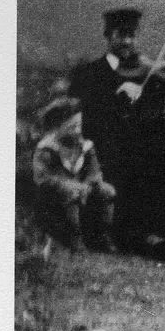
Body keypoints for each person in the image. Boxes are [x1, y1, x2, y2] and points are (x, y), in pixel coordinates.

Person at [68, 7, 165, 259]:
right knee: (138, 163)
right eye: (121, 35)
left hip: (151, 145)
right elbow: (88, 123)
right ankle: (140, 234)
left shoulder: (150, 75)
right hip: (110, 148)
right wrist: (120, 100)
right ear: (108, 36)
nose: (127, 42)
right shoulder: (90, 73)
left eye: (132, 36)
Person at [32, 96, 116, 252]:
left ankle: (102, 235)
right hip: (54, 195)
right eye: (72, 126)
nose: (77, 130)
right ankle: (74, 238)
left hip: (81, 189)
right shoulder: (47, 148)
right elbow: (43, 178)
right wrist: (68, 185)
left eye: (79, 125)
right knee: (72, 192)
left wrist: (91, 183)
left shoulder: (84, 146)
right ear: (57, 126)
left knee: (107, 191)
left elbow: (94, 170)